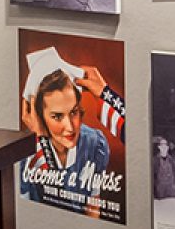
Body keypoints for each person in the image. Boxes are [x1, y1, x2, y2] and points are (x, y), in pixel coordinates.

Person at [18, 50, 123, 212]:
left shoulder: (95, 143)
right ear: (39, 117)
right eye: (57, 116)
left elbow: (93, 206)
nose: (70, 127)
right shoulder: (26, 155)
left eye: (73, 112)